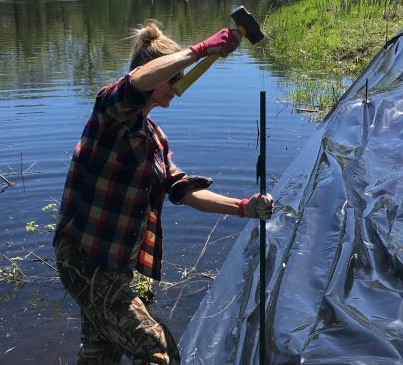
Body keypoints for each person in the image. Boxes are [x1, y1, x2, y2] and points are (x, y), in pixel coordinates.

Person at [53, 20, 273, 365]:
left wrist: (244, 207)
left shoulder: (155, 136)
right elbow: (135, 84)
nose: (179, 84)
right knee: (158, 350)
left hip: (118, 266)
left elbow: (182, 191)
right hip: (84, 258)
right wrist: (200, 49)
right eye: (173, 76)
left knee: (100, 355)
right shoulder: (110, 113)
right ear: (154, 74)